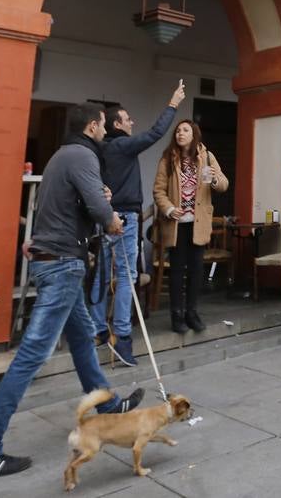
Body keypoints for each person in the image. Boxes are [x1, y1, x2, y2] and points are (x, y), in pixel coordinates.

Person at [0, 104, 144, 481]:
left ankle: (108, 407)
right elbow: (99, 209)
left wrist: (98, 200)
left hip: (54, 260)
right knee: (32, 355)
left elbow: (70, 205)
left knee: (80, 340)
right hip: (63, 264)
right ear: (93, 126)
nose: (106, 132)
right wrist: (112, 219)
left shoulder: (63, 155)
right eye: (104, 127)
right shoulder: (82, 155)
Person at [90, 83, 185, 365]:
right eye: (127, 118)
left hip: (106, 215)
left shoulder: (99, 149)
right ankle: (122, 337)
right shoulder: (120, 145)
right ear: (117, 123)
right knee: (126, 278)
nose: (132, 122)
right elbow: (155, 134)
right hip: (125, 219)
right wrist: (173, 103)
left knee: (102, 274)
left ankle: (97, 329)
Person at [153, 120, 226, 334]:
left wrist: (214, 180)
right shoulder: (168, 159)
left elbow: (223, 184)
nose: (180, 134)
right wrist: (168, 209)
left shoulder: (207, 157)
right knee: (176, 272)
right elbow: (158, 191)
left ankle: (192, 313)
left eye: (185, 130)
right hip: (176, 225)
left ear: (194, 135)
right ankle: (176, 315)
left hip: (198, 224)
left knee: (196, 271)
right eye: (177, 130)